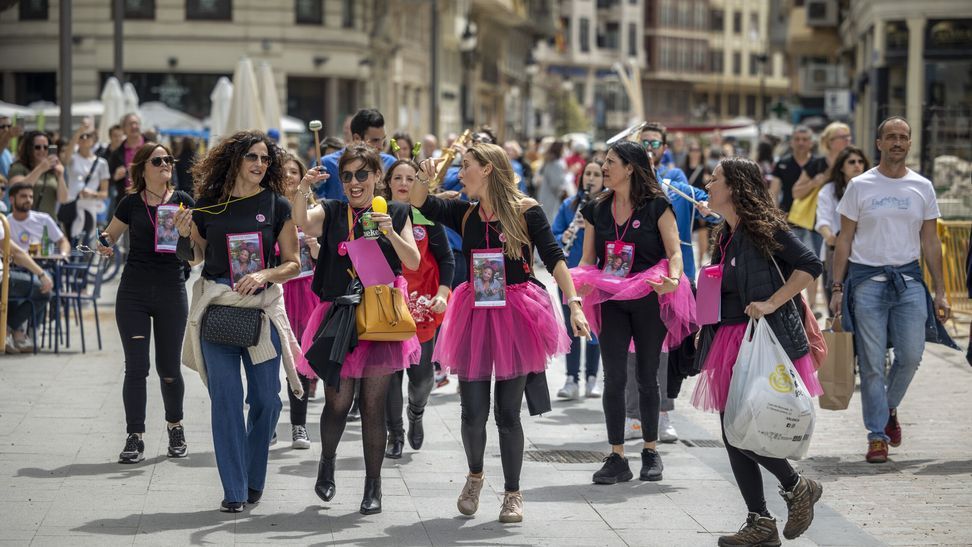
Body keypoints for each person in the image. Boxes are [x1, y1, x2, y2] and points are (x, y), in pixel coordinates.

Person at [413, 142, 590, 524]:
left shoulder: (527, 211)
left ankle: (512, 493)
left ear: (488, 169)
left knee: (507, 413)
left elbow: (555, 258)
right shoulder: (465, 212)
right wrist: (423, 177)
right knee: (472, 412)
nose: (460, 174)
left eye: (466, 166)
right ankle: (475, 477)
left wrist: (574, 303)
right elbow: (420, 202)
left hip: (517, 314)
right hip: (473, 315)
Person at [691, 157, 824, 546]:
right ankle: (761, 521)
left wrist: (771, 302)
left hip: (762, 341)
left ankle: (794, 486)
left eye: (714, 179)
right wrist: (705, 325)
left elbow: (810, 265)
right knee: (732, 431)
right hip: (729, 339)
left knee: (739, 430)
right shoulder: (725, 233)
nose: (708, 185)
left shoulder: (762, 227)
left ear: (734, 187)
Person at [177, 130, 304, 513]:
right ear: (235, 160)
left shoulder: (277, 204)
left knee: (266, 400)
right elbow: (194, 257)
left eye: (265, 158)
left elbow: (293, 263)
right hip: (217, 311)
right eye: (252, 156)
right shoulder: (208, 205)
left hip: (261, 313)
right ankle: (234, 490)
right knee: (227, 402)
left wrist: (265, 274)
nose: (260, 164)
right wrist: (183, 235)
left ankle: (252, 476)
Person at [294, 144, 421, 515]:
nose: (354, 182)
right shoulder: (333, 210)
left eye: (362, 174)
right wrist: (303, 187)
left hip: (380, 317)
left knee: (372, 406)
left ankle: (373, 486)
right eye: (347, 175)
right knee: (337, 402)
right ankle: (327, 462)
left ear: (377, 176)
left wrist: (390, 232)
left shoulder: (396, 211)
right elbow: (303, 221)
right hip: (339, 315)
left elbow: (412, 260)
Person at [570, 141, 696, 486]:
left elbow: (675, 252)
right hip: (610, 297)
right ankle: (617, 456)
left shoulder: (657, 205)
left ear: (630, 168)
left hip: (650, 295)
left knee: (646, 375)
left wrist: (673, 280)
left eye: (610, 162)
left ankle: (651, 451)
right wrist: (580, 288)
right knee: (613, 376)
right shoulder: (596, 209)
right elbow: (587, 259)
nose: (603, 167)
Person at [830, 116, 950, 464]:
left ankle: (887, 408)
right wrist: (837, 287)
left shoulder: (922, 187)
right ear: (879, 143)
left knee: (911, 356)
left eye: (903, 137)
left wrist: (940, 290)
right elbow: (845, 239)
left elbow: (931, 241)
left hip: (909, 282)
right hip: (866, 283)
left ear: (909, 143)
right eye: (891, 136)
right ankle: (877, 436)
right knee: (871, 364)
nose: (897, 142)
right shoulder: (860, 186)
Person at [96, 142, 195, 464]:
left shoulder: (183, 201)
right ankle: (134, 435)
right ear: (142, 168)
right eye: (158, 160)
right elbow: (110, 234)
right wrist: (104, 244)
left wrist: (186, 233)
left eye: (168, 159)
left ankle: (175, 427)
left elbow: (197, 253)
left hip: (171, 290)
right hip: (133, 292)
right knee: (137, 368)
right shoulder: (130, 203)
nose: (165, 164)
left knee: (169, 368)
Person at [380, 159, 454, 459]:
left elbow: (447, 259)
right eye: (397, 177)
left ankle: (416, 411)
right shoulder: (376, 214)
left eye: (410, 178)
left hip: (421, 307)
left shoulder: (427, 217)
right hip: (385, 306)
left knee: (422, 377)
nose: (403, 183)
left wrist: (443, 294)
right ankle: (395, 434)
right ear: (387, 182)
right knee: (389, 375)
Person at [551, 160, 603, 400]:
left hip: (595, 276)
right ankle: (571, 379)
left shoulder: (607, 206)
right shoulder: (569, 205)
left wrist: (593, 226)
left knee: (594, 327)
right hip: (570, 275)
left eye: (596, 174)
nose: (591, 178)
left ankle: (592, 379)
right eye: (588, 173)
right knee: (571, 326)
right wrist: (566, 235)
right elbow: (553, 235)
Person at [790, 122, 853, 314]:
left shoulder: (853, 160)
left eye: (848, 137)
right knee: (821, 264)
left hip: (849, 223)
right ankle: (815, 306)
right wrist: (815, 183)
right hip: (820, 224)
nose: (847, 140)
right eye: (842, 137)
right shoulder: (817, 164)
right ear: (829, 141)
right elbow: (796, 192)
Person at [280, 153, 320, 448]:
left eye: (294, 171)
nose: (289, 176)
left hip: (306, 292)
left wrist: (315, 246)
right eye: (284, 171)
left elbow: (324, 258)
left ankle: (299, 425)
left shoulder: (314, 210)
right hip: (276, 291)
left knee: (300, 361)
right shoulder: (269, 208)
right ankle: (266, 421)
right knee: (268, 360)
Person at [815, 146, 869, 304]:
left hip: (865, 256)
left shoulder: (871, 189)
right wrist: (834, 240)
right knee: (836, 306)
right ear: (841, 167)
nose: (857, 165)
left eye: (860, 161)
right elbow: (823, 222)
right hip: (835, 254)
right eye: (851, 162)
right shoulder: (828, 190)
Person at [317, 109, 397, 200]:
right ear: (357, 138)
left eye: (383, 140)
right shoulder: (326, 164)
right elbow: (316, 201)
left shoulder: (391, 163)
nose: (381, 147)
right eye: (375, 140)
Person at [1, 221, 53, 354]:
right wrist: (41, 274)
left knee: (15, 288)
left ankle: (13, 333)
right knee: (43, 290)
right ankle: (9, 330)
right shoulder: (4, 220)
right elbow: (16, 253)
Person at [66, 121, 110, 242]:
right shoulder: (73, 159)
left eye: (88, 136)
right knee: (71, 242)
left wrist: (92, 194)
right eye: (81, 136)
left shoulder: (101, 163)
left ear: (94, 139)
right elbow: (65, 158)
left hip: (90, 208)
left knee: (86, 243)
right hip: (72, 207)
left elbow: (105, 193)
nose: (84, 138)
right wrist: (78, 132)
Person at [7, 131, 68, 219]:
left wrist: (60, 176)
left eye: (45, 147)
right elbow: (17, 188)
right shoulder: (19, 167)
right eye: (37, 147)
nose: (42, 150)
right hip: (23, 222)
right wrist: (40, 169)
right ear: (29, 149)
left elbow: (63, 199)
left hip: (47, 223)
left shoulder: (53, 170)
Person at [6, 183, 71, 256]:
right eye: (23, 196)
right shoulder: (5, 222)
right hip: (14, 262)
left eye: (31, 197)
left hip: (41, 261)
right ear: (11, 200)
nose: (28, 200)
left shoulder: (44, 219)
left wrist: (63, 255)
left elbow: (63, 241)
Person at [769, 125, 815, 212]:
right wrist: (775, 213)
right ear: (791, 142)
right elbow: (774, 192)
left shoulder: (818, 164)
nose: (800, 143)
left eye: (805, 139)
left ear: (811, 143)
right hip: (787, 214)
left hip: (811, 215)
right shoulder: (782, 163)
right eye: (797, 139)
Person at [107, 113, 147, 214]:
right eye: (130, 124)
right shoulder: (117, 153)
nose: (134, 126)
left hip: (151, 200)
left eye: (136, 123)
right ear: (124, 129)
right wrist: (115, 176)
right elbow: (107, 178)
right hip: (127, 203)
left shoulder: (152, 147)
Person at [536, 140, 571, 221]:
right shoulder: (556, 164)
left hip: (546, 194)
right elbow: (556, 185)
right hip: (552, 197)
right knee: (551, 218)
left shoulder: (549, 162)